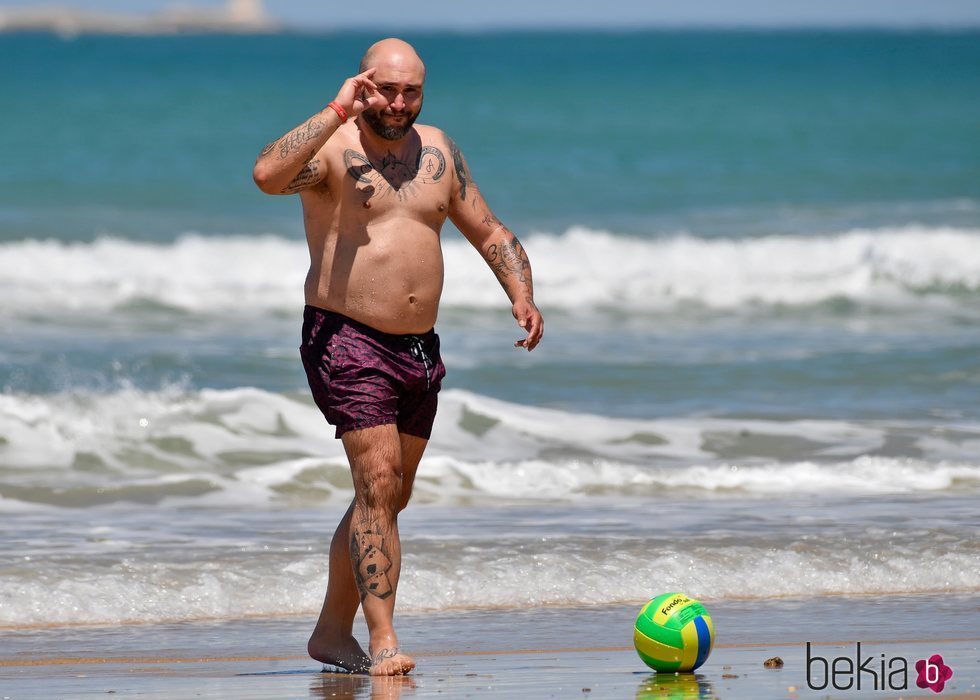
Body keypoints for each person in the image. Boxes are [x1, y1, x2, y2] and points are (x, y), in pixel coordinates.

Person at [252, 38, 543, 676]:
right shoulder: (333, 145)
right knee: (378, 482)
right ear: (363, 83)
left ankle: (330, 633)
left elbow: (487, 229)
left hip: (418, 346)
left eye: (411, 91)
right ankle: (383, 640)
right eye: (386, 89)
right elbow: (268, 174)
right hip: (346, 336)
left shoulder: (437, 150)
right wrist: (335, 109)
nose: (398, 102)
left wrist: (522, 293)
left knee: (386, 496)